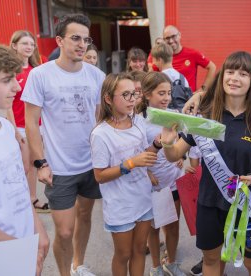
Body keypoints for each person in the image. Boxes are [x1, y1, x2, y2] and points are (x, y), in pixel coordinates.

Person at [161, 51, 251, 276]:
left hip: (246, 202)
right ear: (222, 76)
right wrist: (166, 143)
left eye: (243, 74)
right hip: (210, 202)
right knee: (211, 260)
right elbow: (175, 155)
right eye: (230, 72)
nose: (234, 78)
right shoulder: (206, 116)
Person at [22, 14, 105, 276]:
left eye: (86, 39)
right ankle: (64, 273)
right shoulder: (40, 75)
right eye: (75, 38)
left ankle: (78, 264)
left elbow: (100, 118)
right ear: (59, 40)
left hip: (91, 163)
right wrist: (40, 163)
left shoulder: (96, 75)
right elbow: (31, 123)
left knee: (84, 217)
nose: (82, 44)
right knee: (65, 229)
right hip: (59, 167)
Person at [0, 38, 49, 275]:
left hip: (24, 245)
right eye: (7, 80)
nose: (17, 88)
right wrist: (21, 253)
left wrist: (38, 226)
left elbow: (19, 189)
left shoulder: (7, 130)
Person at [90, 72, 159, 276]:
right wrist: (130, 163)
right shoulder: (100, 134)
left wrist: (157, 144)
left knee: (139, 250)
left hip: (142, 198)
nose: (132, 100)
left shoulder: (138, 121)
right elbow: (99, 175)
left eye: (134, 94)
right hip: (120, 205)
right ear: (109, 98)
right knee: (123, 255)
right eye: (126, 95)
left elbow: (144, 156)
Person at [135, 71, 185, 276]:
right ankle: (156, 267)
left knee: (173, 226)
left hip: (173, 179)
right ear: (147, 94)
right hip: (152, 185)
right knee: (153, 229)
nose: (166, 98)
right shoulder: (138, 121)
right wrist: (146, 171)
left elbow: (183, 140)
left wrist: (181, 154)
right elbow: (133, 152)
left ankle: (171, 263)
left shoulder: (174, 115)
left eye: (169, 93)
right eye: (161, 93)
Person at [7, 30, 50, 213]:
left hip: (38, 126)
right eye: (25, 43)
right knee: (23, 167)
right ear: (14, 45)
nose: (29, 47)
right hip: (19, 126)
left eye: (32, 44)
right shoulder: (10, 72)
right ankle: (19, 203)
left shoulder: (37, 71)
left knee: (34, 165)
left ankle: (32, 199)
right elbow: (8, 105)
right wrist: (15, 131)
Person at [162, 25, 216, 92]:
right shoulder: (162, 57)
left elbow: (212, 67)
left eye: (173, 36)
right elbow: (151, 74)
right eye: (167, 38)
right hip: (169, 101)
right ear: (164, 40)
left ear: (179, 35)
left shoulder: (192, 54)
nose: (171, 41)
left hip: (189, 99)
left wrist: (203, 89)